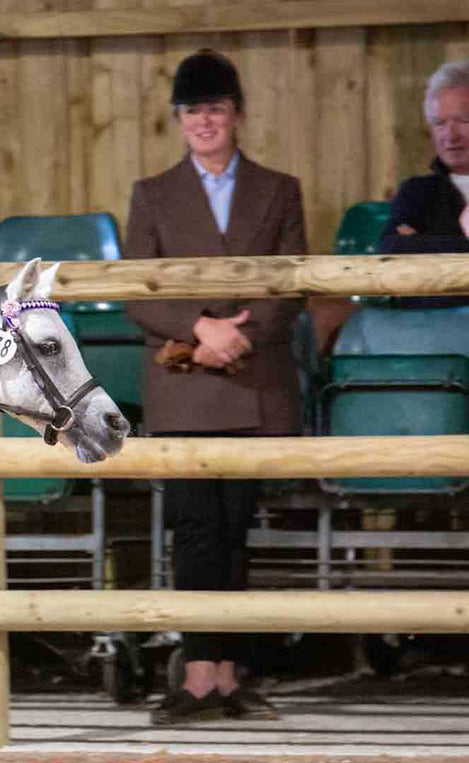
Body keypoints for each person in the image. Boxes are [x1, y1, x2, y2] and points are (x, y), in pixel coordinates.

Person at [124, 50, 307, 725]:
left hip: (253, 377)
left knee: (236, 527)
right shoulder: (151, 193)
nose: (204, 120)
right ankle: (197, 673)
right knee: (194, 527)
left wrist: (242, 335)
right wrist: (198, 327)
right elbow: (136, 292)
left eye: (215, 108)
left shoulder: (279, 188)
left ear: (236, 115)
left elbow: (291, 282)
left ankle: (230, 672)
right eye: (192, 109)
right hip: (183, 381)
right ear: (177, 119)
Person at [378, 59, 469, 308]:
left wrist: (424, 243)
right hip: (428, 330)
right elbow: (392, 250)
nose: (450, 135)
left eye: (463, 121)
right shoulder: (417, 192)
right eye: (440, 123)